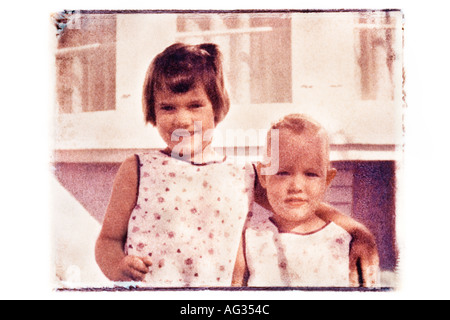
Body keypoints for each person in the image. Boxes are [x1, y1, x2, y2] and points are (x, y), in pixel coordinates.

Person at [95, 43, 379, 288]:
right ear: (153, 111)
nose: (181, 119)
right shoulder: (137, 168)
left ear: (216, 108)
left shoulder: (242, 173)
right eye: (168, 107)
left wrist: (359, 233)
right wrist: (118, 267)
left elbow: (302, 202)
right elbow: (107, 241)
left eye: (195, 106)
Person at [233, 114, 380, 287]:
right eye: (282, 173)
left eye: (311, 174)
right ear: (263, 175)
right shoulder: (249, 241)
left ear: (327, 180)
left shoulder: (346, 243)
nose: (296, 186)